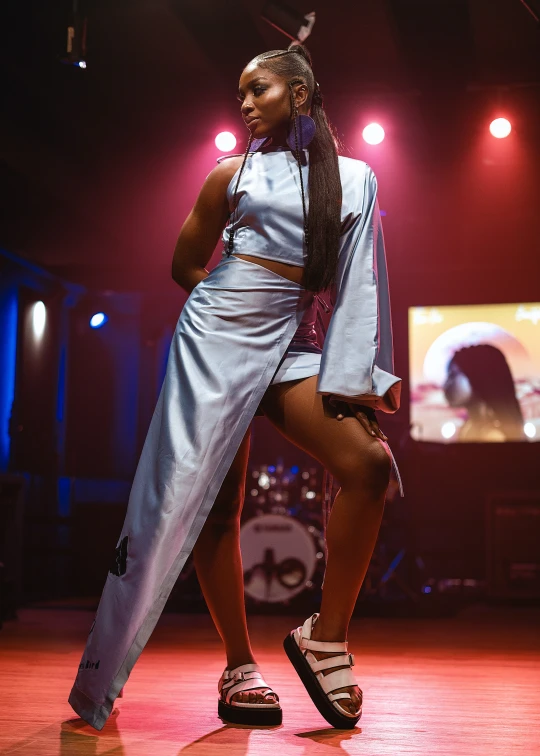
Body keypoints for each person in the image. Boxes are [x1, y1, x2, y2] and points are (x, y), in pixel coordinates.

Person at [68, 42, 403, 732]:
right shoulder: (230, 174)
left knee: (368, 468)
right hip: (216, 339)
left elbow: (361, 286)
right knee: (209, 503)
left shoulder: (357, 178)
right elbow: (185, 264)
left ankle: (327, 638)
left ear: (300, 94)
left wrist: (349, 374)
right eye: (240, 93)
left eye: (259, 90)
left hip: (298, 348)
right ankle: (238, 664)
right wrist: (221, 321)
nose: (245, 103)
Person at [443, 344, 526, 441]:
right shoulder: (472, 426)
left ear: (478, 378)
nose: (446, 384)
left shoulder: (493, 436)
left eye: (452, 375)